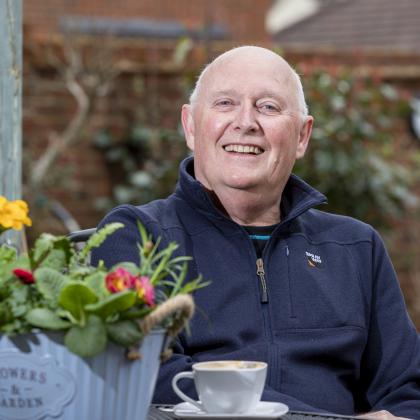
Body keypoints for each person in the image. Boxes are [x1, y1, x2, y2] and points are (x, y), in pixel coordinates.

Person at [91, 46, 420, 419]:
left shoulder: (355, 247)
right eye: (226, 103)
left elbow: (408, 390)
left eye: (268, 107)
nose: (245, 121)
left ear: (301, 136)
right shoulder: (137, 237)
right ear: (190, 126)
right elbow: (150, 378)